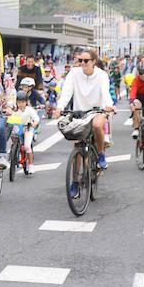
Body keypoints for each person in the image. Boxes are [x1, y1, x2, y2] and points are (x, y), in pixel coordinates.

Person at [57, 48, 115, 193]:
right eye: (80, 60)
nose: (82, 63)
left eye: (86, 61)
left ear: (94, 62)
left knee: (97, 125)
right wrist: (60, 107)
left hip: (98, 110)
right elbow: (67, 91)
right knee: (77, 145)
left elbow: (105, 91)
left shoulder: (101, 75)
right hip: (80, 112)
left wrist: (108, 105)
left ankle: (101, 154)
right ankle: (75, 182)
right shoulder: (74, 73)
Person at [7, 88, 40, 174]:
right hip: (18, 128)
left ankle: (31, 164)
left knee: (27, 146)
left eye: (23, 102)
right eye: (19, 102)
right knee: (12, 133)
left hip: (28, 129)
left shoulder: (30, 110)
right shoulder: (15, 110)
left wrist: (34, 123)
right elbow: (9, 117)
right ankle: (14, 147)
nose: (21, 104)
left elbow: (36, 118)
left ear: (26, 102)